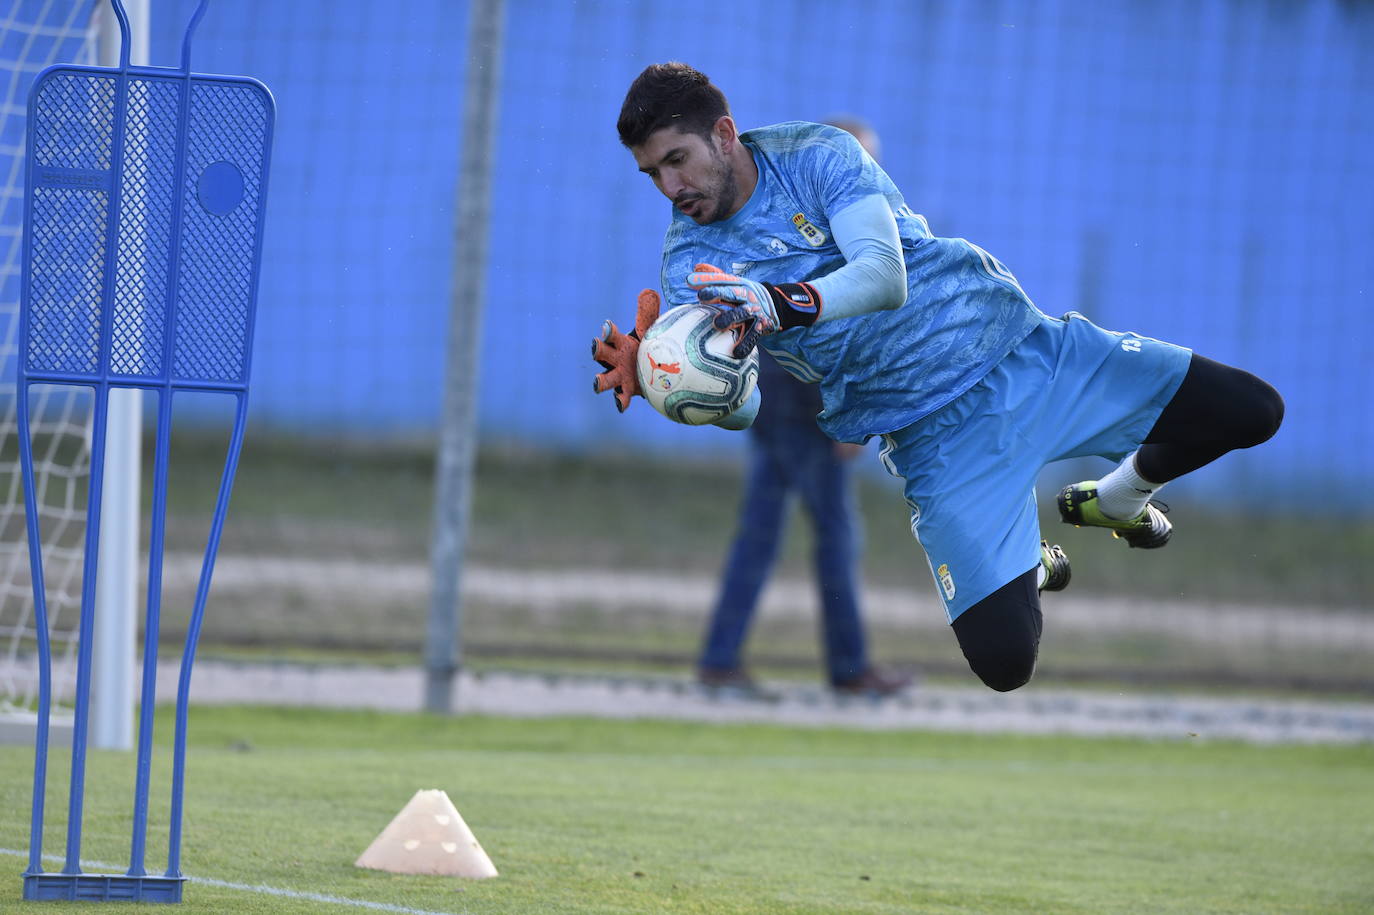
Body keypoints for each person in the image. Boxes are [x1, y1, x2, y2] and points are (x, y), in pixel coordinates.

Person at [592, 63, 1283, 693]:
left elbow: (884, 276)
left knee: (1253, 410)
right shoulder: (687, 264)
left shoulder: (814, 154)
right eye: (652, 173)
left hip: (1028, 355)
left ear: (723, 133)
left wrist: (780, 301)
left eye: (676, 161)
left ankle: (1117, 498)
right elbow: (742, 408)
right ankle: (1026, 557)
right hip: (935, 441)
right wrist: (671, 381)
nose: (670, 188)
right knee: (1006, 663)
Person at [696, 118, 911, 698]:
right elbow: (826, 334)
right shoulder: (834, 231)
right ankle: (850, 670)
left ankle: (719, 660)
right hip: (805, 405)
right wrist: (848, 415)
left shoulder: (798, 220)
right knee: (836, 533)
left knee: (761, 532)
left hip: (773, 396)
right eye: (861, 161)